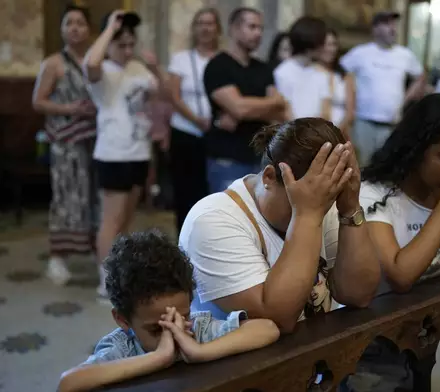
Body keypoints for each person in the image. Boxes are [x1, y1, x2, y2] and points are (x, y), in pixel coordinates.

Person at [342, 94, 440, 392]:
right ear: (415, 149)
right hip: (370, 344)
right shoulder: (373, 196)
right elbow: (400, 275)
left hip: (423, 333)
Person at [180, 118, 381, 333]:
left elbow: (358, 294)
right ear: (268, 177)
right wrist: (307, 213)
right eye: (299, 200)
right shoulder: (212, 220)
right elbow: (279, 319)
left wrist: (350, 209)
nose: (323, 208)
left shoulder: (323, 201)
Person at [57, 230, 280, 392]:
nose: (174, 335)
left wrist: (200, 352)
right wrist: (158, 358)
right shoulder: (121, 349)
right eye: (157, 329)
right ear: (123, 320)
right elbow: (68, 384)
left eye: (181, 319)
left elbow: (267, 329)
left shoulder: (199, 330)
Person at [83, 10, 168, 301]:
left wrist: (156, 69)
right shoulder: (102, 71)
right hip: (112, 154)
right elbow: (90, 62)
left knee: (126, 221)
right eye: (122, 44)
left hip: (139, 152)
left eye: (132, 44)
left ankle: (118, 274)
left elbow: (165, 95)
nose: (128, 50)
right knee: (111, 220)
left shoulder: (138, 70)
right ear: (108, 44)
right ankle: (104, 280)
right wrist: (109, 29)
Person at [32, 5, 97, 285]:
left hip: (95, 140)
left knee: (93, 199)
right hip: (66, 143)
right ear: (61, 29)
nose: (74, 28)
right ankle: (58, 257)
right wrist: (71, 107)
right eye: (69, 22)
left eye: (80, 23)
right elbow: (38, 101)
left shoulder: (96, 61)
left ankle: (97, 251)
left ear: (89, 29)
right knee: (66, 199)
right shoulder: (53, 63)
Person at [203, 7, 287, 193]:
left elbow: (281, 110)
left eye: (261, 28)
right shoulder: (218, 66)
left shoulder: (263, 69)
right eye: (252, 27)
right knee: (228, 216)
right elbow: (239, 108)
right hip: (228, 158)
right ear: (233, 29)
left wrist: (247, 108)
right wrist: (267, 106)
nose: (258, 33)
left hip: (260, 158)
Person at [340, 10, 425, 166]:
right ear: (375, 29)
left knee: (387, 167)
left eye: (394, 24)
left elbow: (420, 77)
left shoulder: (404, 54)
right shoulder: (361, 53)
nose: (393, 28)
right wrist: (349, 105)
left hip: (392, 124)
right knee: (362, 166)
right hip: (364, 122)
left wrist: (404, 99)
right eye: (387, 24)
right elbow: (340, 73)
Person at [167, 7, 221, 231]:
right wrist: (197, 120)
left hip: (217, 132)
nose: (205, 28)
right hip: (185, 131)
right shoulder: (181, 59)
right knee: (185, 191)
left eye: (210, 23)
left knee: (212, 192)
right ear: (194, 28)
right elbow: (174, 95)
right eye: (200, 23)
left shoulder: (223, 60)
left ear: (218, 29)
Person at [274, 16, 330, 120]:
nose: (324, 47)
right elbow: (284, 110)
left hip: (318, 132)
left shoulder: (322, 73)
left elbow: (326, 111)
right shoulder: (282, 72)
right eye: (322, 42)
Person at [317, 29, 356, 137]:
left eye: (333, 44)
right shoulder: (311, 72)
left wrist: (336, 132)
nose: (329, 49)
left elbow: (350, 112)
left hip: (340, 133)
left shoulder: (345, 76)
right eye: (325, 44)